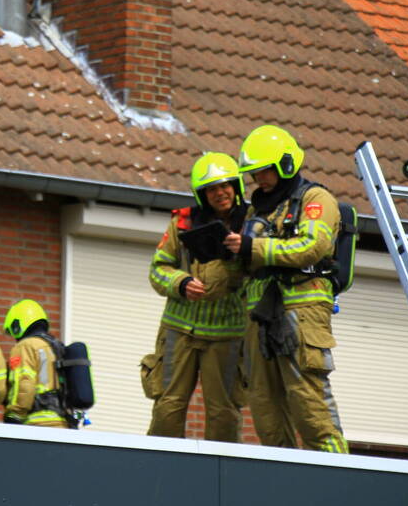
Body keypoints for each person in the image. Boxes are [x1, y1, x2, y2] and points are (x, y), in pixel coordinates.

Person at [223, 124, 348, 454]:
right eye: (254, 173)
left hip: (302, 313)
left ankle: (337, 474)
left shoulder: (315, 199)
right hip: (259, 318)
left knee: (309, 406)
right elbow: (247, 265)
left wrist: (253, 246)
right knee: (265, 410)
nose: (258, 179)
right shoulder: (255, 210)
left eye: (265, 171)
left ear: (286, 165)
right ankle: (283, 477)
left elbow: (312, 246)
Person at [144, 152, 248, 442]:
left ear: (236, 186)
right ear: (202, 194)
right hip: (178, 329)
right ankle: (162, 462)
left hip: (227, 334)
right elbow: (157, 269)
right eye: (211, 189)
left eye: (225, 185)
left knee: (224, 414)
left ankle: (223, 468)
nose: (220, 193)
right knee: (168, 407)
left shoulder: (252, 223)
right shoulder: (182, 222)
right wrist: (181, 283)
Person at [2, 299, 68, 428]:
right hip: (62, 423)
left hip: (38, 423)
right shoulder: (56, 347)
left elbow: (24, 382)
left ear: (17, 325)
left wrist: (14, 415)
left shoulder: (25, 346)